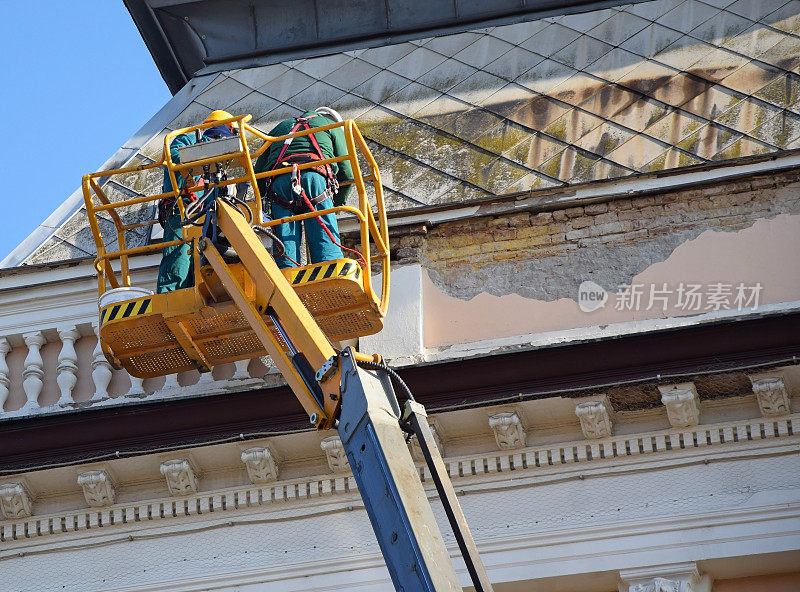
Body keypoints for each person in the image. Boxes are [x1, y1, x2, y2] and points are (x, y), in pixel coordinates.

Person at [254, 107, 354, 269]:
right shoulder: (331, 126)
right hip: (315, 178)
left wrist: (264, 200)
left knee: (284, 236)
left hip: (280, 181)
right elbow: (347, 172)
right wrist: (338, 204)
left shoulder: (280, 127)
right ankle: (329, 268)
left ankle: (286, 276)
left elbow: (258, 172)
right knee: (323, 233)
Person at [156, 110, 236, 293]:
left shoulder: (222, 165)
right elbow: (174, 158)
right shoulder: (189, 140)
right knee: (179, 257)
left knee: (198, 260)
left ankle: (192, 292)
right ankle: (172, 294)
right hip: (182, 211)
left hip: (205, 218)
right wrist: (203, 154)